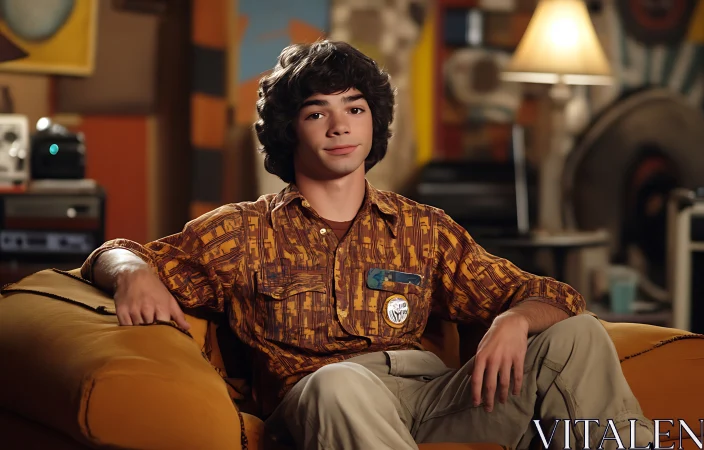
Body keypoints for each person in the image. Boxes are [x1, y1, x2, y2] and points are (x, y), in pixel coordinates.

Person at [81, 40, 654, 450]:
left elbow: (547, 292)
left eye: (355, 109)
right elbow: (119, 252)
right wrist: (132, 271)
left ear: (373, 123)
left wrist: (516, 321)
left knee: (578, 336)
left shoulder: (422, 227)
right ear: (291, 131)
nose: (340, 126)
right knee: (339, 384)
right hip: (322, 403)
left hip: (433, 397)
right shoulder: (242, 232)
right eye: (317, 113)